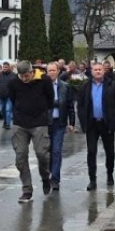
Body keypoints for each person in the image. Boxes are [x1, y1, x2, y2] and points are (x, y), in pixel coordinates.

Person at [76, 62, 115, 189]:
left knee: (109, 152)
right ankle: (92, 180)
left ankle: (110, 174)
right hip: (92, 123)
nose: (98, 71)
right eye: (95, 69)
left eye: (100, 69)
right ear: (92, 72)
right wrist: (83, 121)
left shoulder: (112, 85)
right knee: (91, 151)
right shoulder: (86, 86)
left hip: (107, 123)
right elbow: (80, 105)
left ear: (103, 71)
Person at [9, 60, 54, 203]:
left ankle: (46, 177)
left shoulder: (44, 80)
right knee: (20, 157)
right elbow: (13, 98)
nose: (24, 78)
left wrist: (41, 111)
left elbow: (50, 99)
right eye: (21, 76)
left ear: (31, 71)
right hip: (20, 122)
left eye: (26, 75)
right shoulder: (14, 83)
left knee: (42, 154)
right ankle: (27, 189)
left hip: (39, 122)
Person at [45, 62, 75, 191]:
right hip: (46, 123)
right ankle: (50, 172)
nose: (51, 72)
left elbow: (69, 105)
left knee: (56, 150)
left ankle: (55, 179)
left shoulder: (65, 87)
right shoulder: (42, 86)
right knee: (48, 151)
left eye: (53, 70)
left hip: (60, 122)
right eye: (49, 70)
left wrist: (72, 123)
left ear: (58, 71)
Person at [0, 61, 18, 129]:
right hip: (1, 96)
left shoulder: (13, 75)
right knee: (1, 110)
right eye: (3, 67)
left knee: (8, 110)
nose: (4, 68)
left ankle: (7, 124)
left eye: (6, 67)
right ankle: (5, 120)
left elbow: (16, 85)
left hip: (9, 96)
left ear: (9, 68)